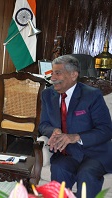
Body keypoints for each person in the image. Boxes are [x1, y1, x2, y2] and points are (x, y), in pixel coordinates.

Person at [38, 55, 112, 197]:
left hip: (95, 153)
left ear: (73, 75)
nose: (52, 78)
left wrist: (76, 137)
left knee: (86, 174)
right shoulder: (47, 95)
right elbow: (43, 125)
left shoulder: (92, 95)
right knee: (58, 168)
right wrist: (53, 130)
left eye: (58, 73)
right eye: (51, 73)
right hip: (67, 153)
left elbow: (106, 130)